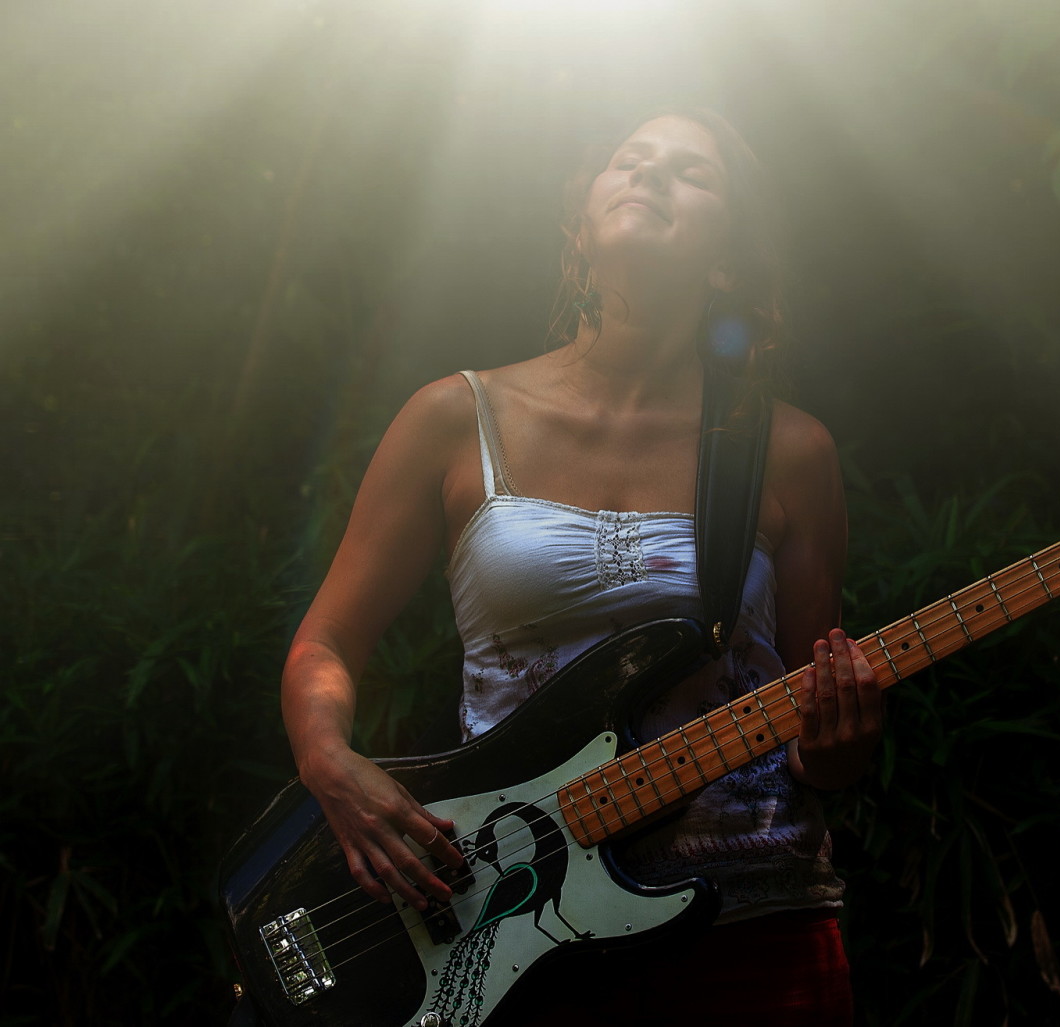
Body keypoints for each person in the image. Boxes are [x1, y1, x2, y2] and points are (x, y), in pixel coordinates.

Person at [279, 107, 883, 1023]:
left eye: (691, 173)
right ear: (581, 224)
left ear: (725, 260)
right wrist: (327, 757)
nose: (648, 175)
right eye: (629, 161)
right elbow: (326, 637)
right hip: (518, 933)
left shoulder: (789, 450)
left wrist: (843, 746)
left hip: (755, 928)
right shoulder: (452, 417)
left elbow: (814, 724)